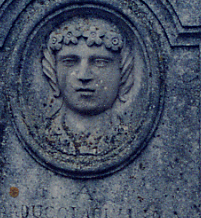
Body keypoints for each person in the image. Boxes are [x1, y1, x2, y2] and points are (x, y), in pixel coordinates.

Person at [41, 16, 134, 153]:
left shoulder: (127, 135)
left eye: (100, 62)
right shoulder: (47, 134)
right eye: (69, 61)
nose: (83, 76)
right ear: (52, 72)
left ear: (123, 73)